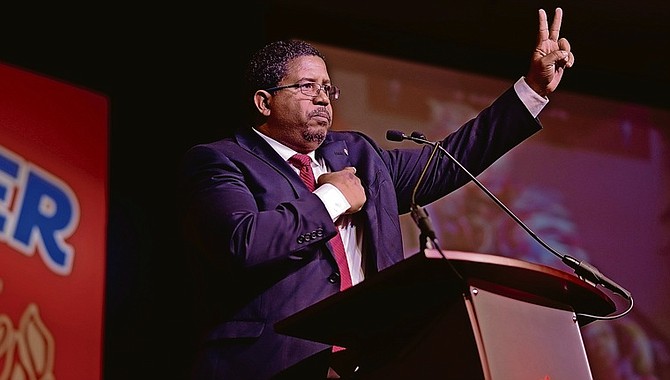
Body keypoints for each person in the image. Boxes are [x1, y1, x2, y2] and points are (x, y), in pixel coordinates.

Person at [179, 7, 574, 379]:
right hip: (272, 365)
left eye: (328, 89)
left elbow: (448, 161)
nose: (322, 97)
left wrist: (533, 90)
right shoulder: (221, 161)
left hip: (371, 364)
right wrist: (331, 200)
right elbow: (242, 242)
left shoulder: (359, 156)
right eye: (306, 86)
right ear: (264, 102)